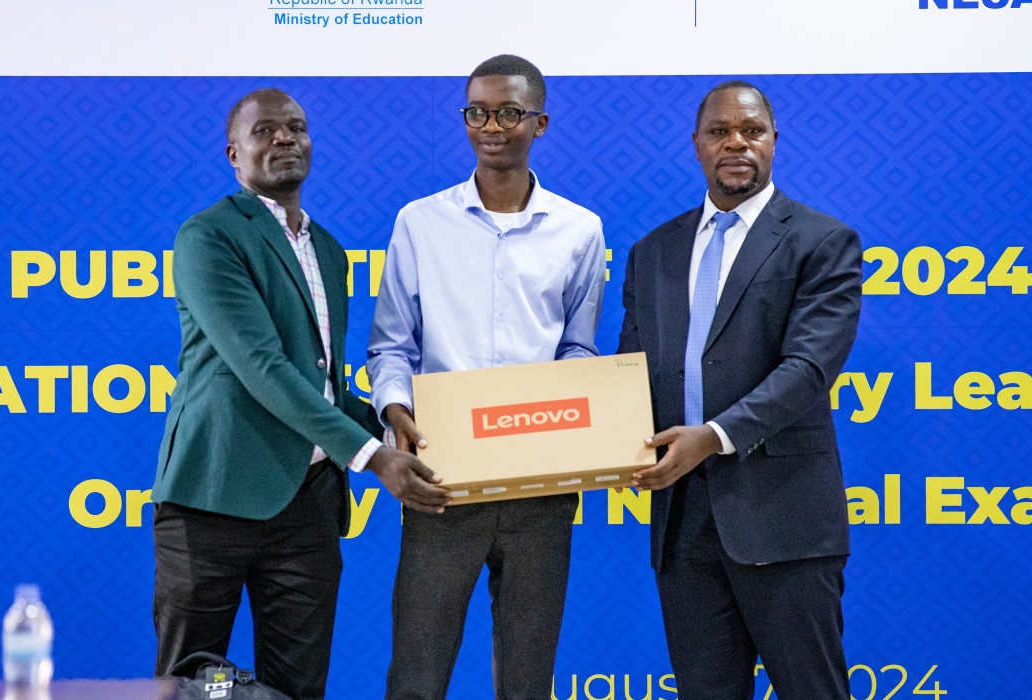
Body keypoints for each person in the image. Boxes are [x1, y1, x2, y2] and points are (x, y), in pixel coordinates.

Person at [150, 88, 448, 700]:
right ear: (234, 154)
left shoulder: (330, 251)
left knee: (299, 689)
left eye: (296, 127)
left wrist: (406, 427)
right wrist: (373, 455)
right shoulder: (208, 236)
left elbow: (322, 385)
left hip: (307, 509)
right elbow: (261, 367)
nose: (284, 138)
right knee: (188, 685)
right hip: (214, 496)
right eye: (264, 131)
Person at [367, 55, 607, 700]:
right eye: (476, 112)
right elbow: (390, 346)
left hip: (541, 488)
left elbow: (579, 349)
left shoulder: (580, 230)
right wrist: (395, 413)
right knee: (416, 677)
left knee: (527, 683)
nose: (490, 126)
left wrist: (560, 407)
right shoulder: (420, 222)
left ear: (540, 122)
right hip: (441, 483)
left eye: (507, 112)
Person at [618, 81, 862, 700]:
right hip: (683, 521)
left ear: (774, 142)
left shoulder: (821, 241)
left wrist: (713, 438)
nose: (736, 143)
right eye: (719, 131)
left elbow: (808, 370)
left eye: (751, 131)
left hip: (783, 517)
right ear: (696, 146)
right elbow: (629, 372)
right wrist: (604, 439)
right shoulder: (652, 251)